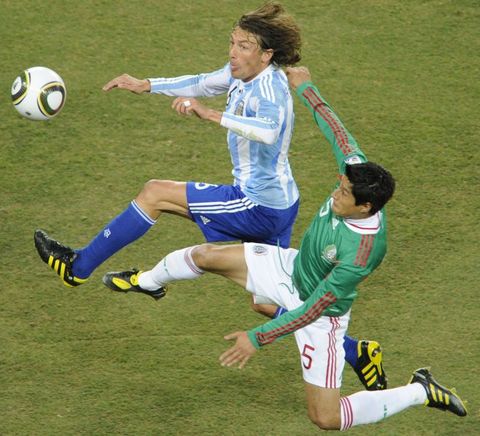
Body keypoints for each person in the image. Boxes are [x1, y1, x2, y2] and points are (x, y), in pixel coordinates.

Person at [34, 2, 384, 392]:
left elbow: (268, 131)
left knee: (155, 193)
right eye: (232, 42)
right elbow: (203, 82)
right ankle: (355, 351)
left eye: (244, 46)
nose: (233, 53)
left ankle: (78, 267)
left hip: (254, 204)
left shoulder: (270, 89)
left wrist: (210, 115)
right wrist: (145, 84)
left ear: (266, 55)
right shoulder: (242, 73)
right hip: (281, 204)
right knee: (265, 302)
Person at [101, 67, 467, 429]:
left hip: (320, 317)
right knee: (205, 256)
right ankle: (148, 282)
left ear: (366, 207)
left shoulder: (362, 253)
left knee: (325, 417)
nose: (335, 194)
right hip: (290, 267)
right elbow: (335, 129)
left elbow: (312, 309)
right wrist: (306, 87)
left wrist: (257, 338)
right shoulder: (357, 172)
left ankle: (420, 390)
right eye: (339, 186)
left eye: (343, 194)